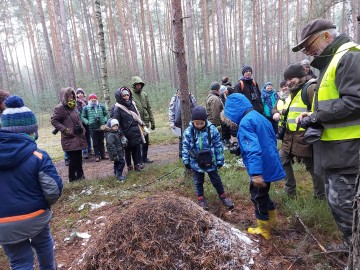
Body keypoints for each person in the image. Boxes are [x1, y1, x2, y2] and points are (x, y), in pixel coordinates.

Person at [293, 18, 360, 247]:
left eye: (308, 45)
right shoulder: (328, 63)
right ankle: (350, 245)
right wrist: (311, 116)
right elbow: (332, 103)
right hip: (336, 152)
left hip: (349, 152)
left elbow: (355, 101)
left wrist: (317, 117)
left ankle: (354, 248)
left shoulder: (349, 56)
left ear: (326, 37)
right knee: (338, 203)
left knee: (345, 204)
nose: (306, 51)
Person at [0, 95, 63, 269]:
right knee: (44, 245)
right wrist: (44, 205)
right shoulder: (38, 155)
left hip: (3, 224)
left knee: (19, 261)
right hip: (35, 216)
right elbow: (53, 190)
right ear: (32, 130)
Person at [222, 93, 285, 240]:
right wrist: (240, 148)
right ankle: (272, 221)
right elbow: (264, 140)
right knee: (264, 193)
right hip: (269, 162)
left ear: (233, 111)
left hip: (261, 167)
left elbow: (253, 149)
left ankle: (263, 229)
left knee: (257, 197)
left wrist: (256, 174)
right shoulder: (259, 116)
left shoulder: (245, 123)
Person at [272, 63, 325, 199]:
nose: (289, 82)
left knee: (313, 168)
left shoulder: (310, 88)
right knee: (282, 159)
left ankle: (320, 197)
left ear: (301, 76)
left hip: (306, 137)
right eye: (287, 79)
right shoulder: (292, 92)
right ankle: (290, 192)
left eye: (291, 79)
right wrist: (277, 112)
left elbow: (320, 112)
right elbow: (287, 111)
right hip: (290, 136)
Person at [182, 106, 234, 211]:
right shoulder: (189, 132)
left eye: (202, 123)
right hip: (196, 162)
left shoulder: (212, 130)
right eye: (197, 123)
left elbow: (218, 146)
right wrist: (186, 160)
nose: (199, 125)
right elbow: (185, 147)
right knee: (198, 181)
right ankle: (201, 199)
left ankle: (223, 196)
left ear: (205, 121)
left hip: (211, 161)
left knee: (216, 180)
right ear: (193, 122)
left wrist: (220, 160)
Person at [51, 87, 87, 182]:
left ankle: (80, 176)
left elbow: (78, 119)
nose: (71, 96)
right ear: (64, 96)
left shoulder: (73, 106)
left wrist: (82, 128)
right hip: (69, 137)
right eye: (68, 95)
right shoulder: (60, 108)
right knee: (73, 159)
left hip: (78, 136)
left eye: (72, 94)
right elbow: (54, 120)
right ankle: (72, 178)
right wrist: (65, 130)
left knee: (79, 157)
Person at [113, 86, 145, 172]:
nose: (126, 97)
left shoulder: (132, 104)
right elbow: (116, 123)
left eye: (127, 95)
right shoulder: (117, 108)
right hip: (126, 133)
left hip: (135, 131)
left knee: (136, 149)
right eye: (124, 95)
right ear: (120, 96)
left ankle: (137, 165)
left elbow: (136, 116)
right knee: (127, 151)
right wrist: (122, 135)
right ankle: (129, 166)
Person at [131, 76, 155, 164]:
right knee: (138, 142)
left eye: (140, 84)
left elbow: (149, 108)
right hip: (136, 122)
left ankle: (144, 157)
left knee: (146, 141)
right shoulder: (130, 95)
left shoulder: (144, 94)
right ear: (134, 85)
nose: (139, 86)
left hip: (145, 122)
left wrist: (152, 121)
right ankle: (139, 160)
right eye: (137, 84)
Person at [169, 89, 197, 158]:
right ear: (177, 93)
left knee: (191, 137)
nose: (180, 94)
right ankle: (181, 155)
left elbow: (195, 106)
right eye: (179, 92)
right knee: (181, 139)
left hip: (190, 121)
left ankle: (192, 154)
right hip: (178, 122)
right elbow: (171, 110)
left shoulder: (190, 97)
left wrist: (191, 97)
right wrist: (171, 121)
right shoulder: (175, 99)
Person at [81, 93, 108, 162]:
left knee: (101, 141)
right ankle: (97, 155)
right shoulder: (86, 108)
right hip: (92, 128)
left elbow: (106, 114)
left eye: (95, 98)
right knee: (95, 142)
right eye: (92, 98)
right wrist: (87, 122)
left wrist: (105, 120)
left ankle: (103, 154)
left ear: (96, 99)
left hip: (101, 126)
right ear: (89, 100)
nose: (94, 99)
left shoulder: (101, 106)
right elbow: (82, 117)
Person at [76, 88, 92, 158]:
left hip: (87, 122)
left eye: (81, 93)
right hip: (80, 123)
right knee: (82, 137)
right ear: (76, 95)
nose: (80, 94)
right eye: (78, 93)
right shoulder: (75, 103)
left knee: (88, 136)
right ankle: (84, 151)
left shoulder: (87, 102)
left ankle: (89, 149)